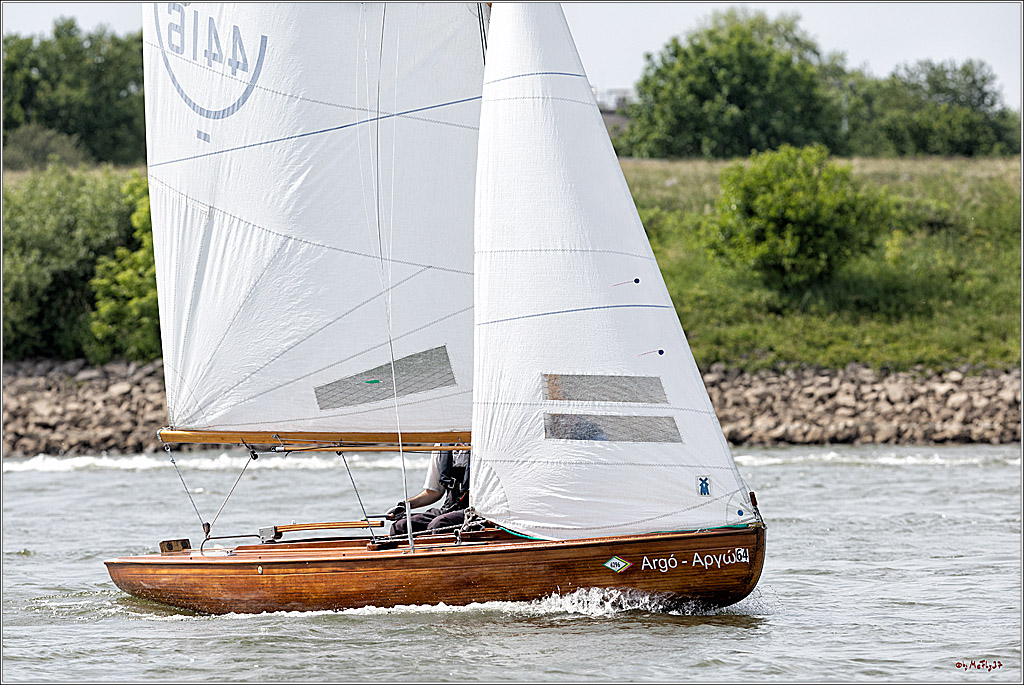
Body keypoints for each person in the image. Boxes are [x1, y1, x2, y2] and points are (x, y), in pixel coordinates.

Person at [384, 444, 469, 537]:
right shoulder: (441, 447)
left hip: (474, 510)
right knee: (401, 526)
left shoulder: (480, 445)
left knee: (438, 524)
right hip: (448, 509)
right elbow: (433, 492)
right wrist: (404, 506)